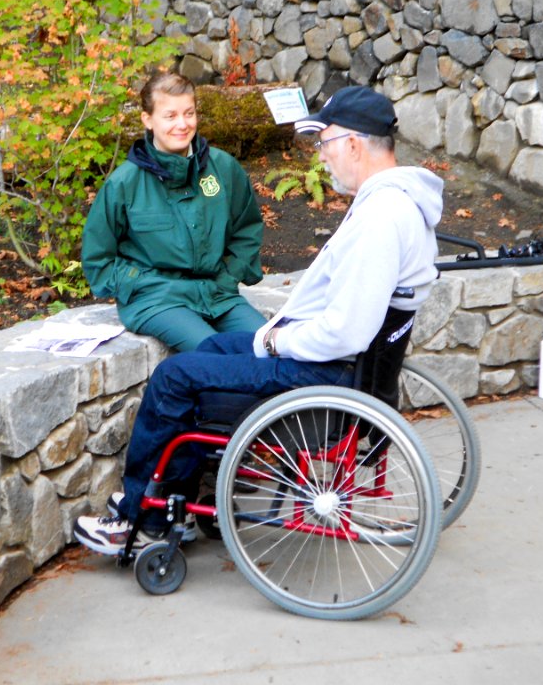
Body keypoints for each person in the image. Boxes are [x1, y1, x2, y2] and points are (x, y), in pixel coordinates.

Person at [74, 86, 445, 555]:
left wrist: (274, 343)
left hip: (318, 372)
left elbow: (345, 330)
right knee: (209, 352)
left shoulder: (380, 219)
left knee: (174, 376)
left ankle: (141, 518)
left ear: (353, 144)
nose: (322, 156)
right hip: (338, 366)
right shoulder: (398, 205)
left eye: (325, 143)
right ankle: (175, 502)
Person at [81, 71, 267, 352]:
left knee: (267, 347)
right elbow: (98, 258)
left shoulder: (223, 168)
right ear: (148, 120)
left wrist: (229, 275)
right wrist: (139, 284)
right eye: (170, 116)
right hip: (157, 300)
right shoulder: (124, 183)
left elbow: (247, 229)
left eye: (189, 113)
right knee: (214, 356)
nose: (182, 124)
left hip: (217, 294)